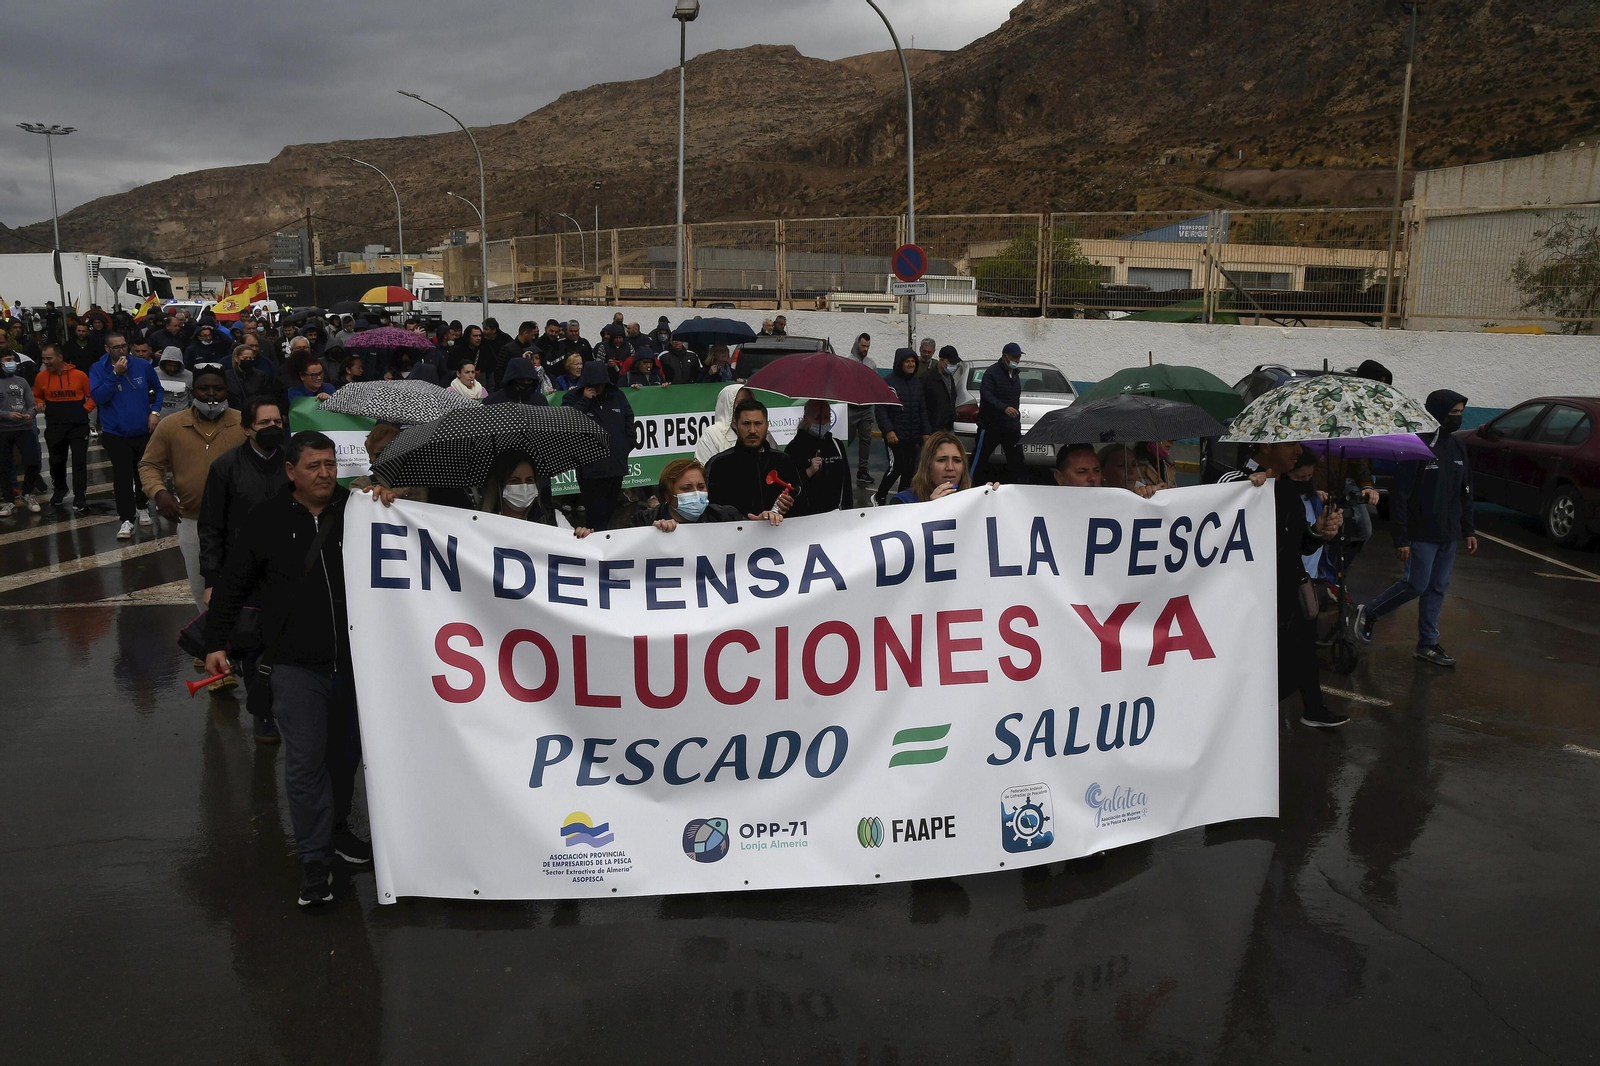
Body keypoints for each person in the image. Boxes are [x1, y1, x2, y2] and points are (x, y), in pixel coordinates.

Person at [205, 432, 373, 906]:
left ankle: (338, 831)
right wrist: (216, 642)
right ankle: (315, 861)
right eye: (315, 465)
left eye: (331, 464)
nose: (325, 473)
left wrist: (394, 497)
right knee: (305, 762)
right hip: (295, 666)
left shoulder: (360, 511)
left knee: (344, 757)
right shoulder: (266, 520)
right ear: (291, 471)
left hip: (356, 664)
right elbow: (233, 584)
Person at [1221, 442, 1348, 728]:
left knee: (1304, 649)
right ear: (1266, 445)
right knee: (1267, 660)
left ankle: (1313, 708)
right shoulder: (1234, 482)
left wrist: (1319, 531)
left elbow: (1299, 544)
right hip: (1250, 594)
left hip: (1290, 586)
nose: (1297, 451)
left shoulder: (1287, 489)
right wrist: (1246, 487)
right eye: (1290, 444)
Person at [1354, 390, 1478, 667]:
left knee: (1437, 588)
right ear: (1437, 413)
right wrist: (1402, 538)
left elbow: (1466, 491)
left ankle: (1427, 643)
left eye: (1460, 413)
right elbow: (1400, 497)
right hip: (1421, 532)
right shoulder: (1415, 447)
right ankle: (1371, 612)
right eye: (1453, 413)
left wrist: (1468, 529)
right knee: (1415, 584)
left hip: (1449, 534)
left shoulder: (1458, 448)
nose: (1457, 418)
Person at [198, 397, 290, 742]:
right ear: (248, 429)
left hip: (287, 570)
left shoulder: (292, 463)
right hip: (244, 574)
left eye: (277, 422)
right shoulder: (225, 468)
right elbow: (210, 527)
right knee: (254, 647)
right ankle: (263, 714)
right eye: (264, 423)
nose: (272, 429)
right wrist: (213, 578)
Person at [139, 366, 247, 609]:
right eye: (203, 388)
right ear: (192, 390)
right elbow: (149, 464)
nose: (211, 394)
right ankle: (214, 644)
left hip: (240, 524)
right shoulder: (171, 426)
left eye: (217, 388)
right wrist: (159, 492)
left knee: (244, 592)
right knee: (203, 594)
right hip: (192, 523)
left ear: (226, 390)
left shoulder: (244, 423)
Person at [89, 332, 164, 537]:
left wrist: (155, 412)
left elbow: (158, 390)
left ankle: (142, 507)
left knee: (142, 473)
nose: (121, 350)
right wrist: (115, 375)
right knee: (122, 477)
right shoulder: (98, 368)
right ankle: (126, 519)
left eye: (124, 346)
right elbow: (98, 397)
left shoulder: (141, 365)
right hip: (116, 433)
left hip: (142, 430)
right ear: (107, 349)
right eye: (116, 347)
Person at [564, 361, 635, 530]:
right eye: (594, 384)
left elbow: (629, 419)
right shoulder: (572, 397)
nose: (598, 387)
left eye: (601, 383)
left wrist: (626, 445)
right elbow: (566, 422)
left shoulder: (617, 395)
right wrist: (585, 400)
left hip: (616, 465)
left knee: (610, 511)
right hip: (590, 469)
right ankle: (595, 550)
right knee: (596, 515)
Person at [705, 399, 795, 524]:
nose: (752, 430)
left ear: (767, 425)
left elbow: (803, 505)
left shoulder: (784, 461)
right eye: (746, 423)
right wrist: (746, 520)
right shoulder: (718, 465)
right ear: (735, 425)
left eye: (758, 423)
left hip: (782, 537)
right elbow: (710, 512)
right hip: (735, 538)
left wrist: (790, 504)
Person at [33, 344, 94, 510]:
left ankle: (80, 497)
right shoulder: (41, 377)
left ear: (60, 357)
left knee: (79, 462)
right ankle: (60, 488)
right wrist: (39, 402)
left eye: (49, 358)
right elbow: (37, 394)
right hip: (55, 426)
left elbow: (93, 395)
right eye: (43, 358)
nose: (45, 362)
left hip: (78, 426)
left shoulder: (79, 375)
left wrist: (85, 410)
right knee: (56, 461)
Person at [480, 451, 591, 534]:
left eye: (529, 480)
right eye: (515, 481)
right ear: (499, 485)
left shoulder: (552, 518)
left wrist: (581, 539)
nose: (524, 487)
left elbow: (575, 550)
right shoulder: (478, 522)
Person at [875, 348, 930, 506]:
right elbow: (881, 409)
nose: (911, 364)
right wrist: (888, 430)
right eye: (908, 361)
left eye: (913, 361)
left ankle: (901, 499)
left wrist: (926, 431)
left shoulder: (916, 383)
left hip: (913, 436)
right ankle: (879, 496)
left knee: (909, 469)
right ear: (900, 363)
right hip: (895, 436)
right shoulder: (888, 382)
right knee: (897, 467)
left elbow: (922, 409)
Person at [634, 458, 744, 531]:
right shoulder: (643, 521)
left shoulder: (725, 516)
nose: (696, 493)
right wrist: (652, 534)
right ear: (667, 495)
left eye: (701, 487)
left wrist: (759, 525)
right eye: (686, 488)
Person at [889, 430, 997, 504]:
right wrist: (932, 509)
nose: (950, 467)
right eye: (942, 460)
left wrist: (992, 501)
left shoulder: (972, 501)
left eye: (957, 460)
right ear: (927, 465)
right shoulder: (902, 502)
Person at [784, 399, 852, 516]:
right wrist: (808, 472)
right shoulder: (794, 448)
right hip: (805, 517)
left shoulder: (837, 445)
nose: (823, 422)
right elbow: (789, 486)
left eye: (826, 418)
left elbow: (847, 483)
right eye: (817, 418)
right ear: (806, 418)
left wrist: (849, 512)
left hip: (836, 516)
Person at [974, 342, 1026, 485]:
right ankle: (971, 486)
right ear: (1005, 356)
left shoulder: (1015, 373)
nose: (1017, 360)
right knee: (980, 459)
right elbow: (986, 395)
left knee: (1017, 461)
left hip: (1011, 427)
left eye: (1019, 357)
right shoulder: (992, 373)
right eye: (1014, 357)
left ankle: (1018, 488)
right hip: (991, 425)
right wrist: (1004, 408)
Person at [0, 349, 39, 516]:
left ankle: (28, 492)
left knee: (33, 461)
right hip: (3, 430)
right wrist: (7, 415)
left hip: (23, 428)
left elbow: (32, 404)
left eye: (12, 359)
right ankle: (8, 501)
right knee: (4, 467)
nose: (11, 363)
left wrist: (30, 415)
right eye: (7, 359)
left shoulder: (22, 381)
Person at [845, 333, 876, 485]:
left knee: (866, 440)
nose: (865, 349)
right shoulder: (849, 362)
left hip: (866, 408)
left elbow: (875, 383)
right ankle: (840, 466)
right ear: (857, 344)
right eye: (863, 346)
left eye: (868, 346)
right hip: (851, 408)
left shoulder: (871, 364)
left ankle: (862, 471)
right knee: (846, 439)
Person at [694, 383, 751, 465]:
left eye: (750, 401)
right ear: (729, 405)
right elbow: (703, 470)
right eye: (742, 403)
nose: (748, 406)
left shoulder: (762, 432)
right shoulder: (712, 434)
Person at [923, 345, 960, 434]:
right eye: (951, 362)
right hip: (933, 429)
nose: (954, 366)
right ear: (941, 360)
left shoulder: (950, 377)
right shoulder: (928, 378)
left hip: (948, 427)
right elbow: (922, 406)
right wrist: (925, 430)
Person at [485, 357, 550, 406]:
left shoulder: (540, 401)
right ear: (511, 380)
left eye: (529, 380)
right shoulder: (493, 401)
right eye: (521, 380)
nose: (525, 383)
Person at [155, 347, 193, 419]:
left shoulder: (189, 376)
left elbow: (192, 399)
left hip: (181, 419)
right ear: (164, 363)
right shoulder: (154, 373)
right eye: (170, 365)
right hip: (158, 420)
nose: (172, 369)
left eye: (176, 366)